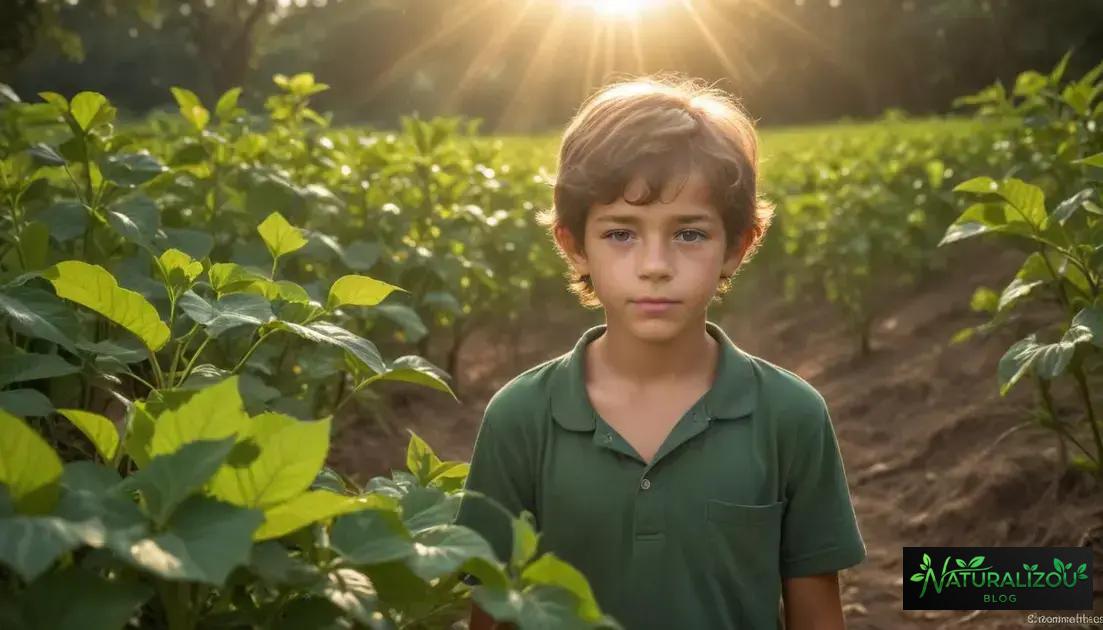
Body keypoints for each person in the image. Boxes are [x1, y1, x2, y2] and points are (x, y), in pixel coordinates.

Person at [453, 74, 867, 630]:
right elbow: (494, 613)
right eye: (621, 234)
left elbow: (816, 614)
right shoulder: (520, 419)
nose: (655, 264)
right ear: (574, 247)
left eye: (689, 234)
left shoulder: (790, 416)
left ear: (737, 247)